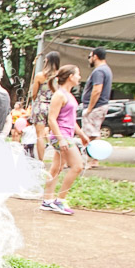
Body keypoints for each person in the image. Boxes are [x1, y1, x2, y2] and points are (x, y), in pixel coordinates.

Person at [40, 65, 90, 215]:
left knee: (57, 168)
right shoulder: (59, 95)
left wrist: (81, 134)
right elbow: (51, 119)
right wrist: (61, 139)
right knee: (78, 166)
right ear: (70, 76)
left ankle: (47, 200)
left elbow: (71, 120)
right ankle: (60, 200)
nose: (79, 77)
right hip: (61, 136)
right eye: (78, 74)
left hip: (66, 135)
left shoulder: (68, 95)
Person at [81, 47, 113, 166]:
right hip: (101, 105)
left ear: (95, 56)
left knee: (90, 134)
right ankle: (94, 159)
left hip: (96, 106)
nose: (89, 59)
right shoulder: (107, 70)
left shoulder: (99, 71)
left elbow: (96, 90)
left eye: (90, 57)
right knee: (94, 132)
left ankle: (92, 160)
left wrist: (89, 108)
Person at [29, 51, 60, 162]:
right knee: (56, 133)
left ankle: (41, 161)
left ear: (46, 61)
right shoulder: (60, 76)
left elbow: (34, 94)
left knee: (40, 136)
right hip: (54, 106)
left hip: (40, 105)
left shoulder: (40, 76)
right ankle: (59, 157)